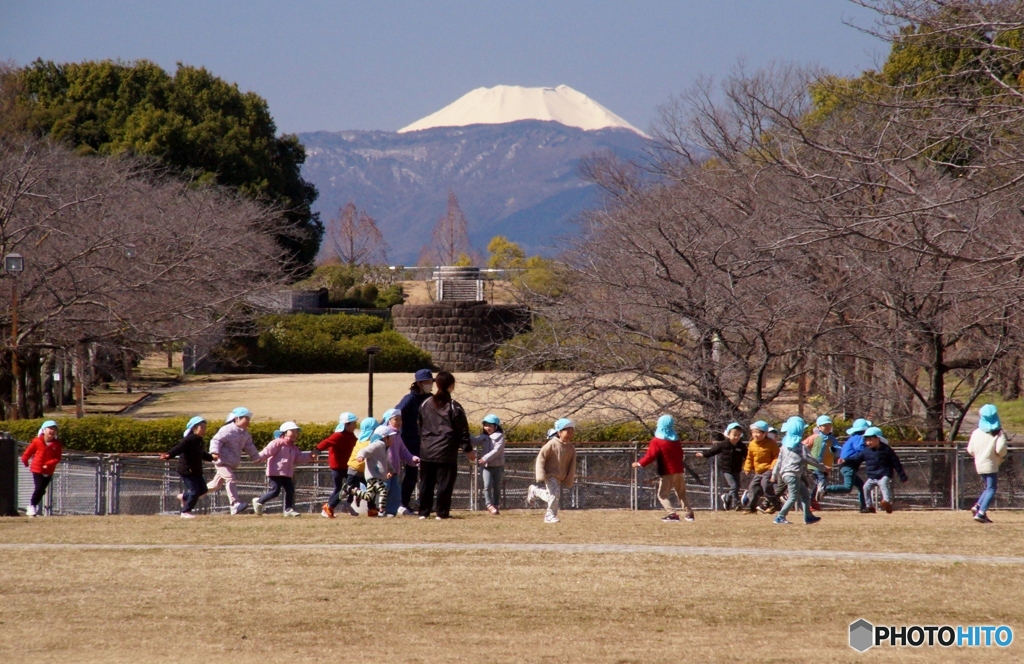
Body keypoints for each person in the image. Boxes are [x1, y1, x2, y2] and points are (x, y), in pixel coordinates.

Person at [417, 371, 475, 520]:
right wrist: (468, 449)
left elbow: (420, 426)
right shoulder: (454, 406)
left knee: (426, 483)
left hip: (427, 450)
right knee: (444, 484)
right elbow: (462, 430)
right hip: (446, 452)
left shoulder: (425, 404)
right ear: (451, 386)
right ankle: (441, 513)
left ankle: (423, 512)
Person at [632, 414, 694, 522]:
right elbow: (680, 454)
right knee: (681, 494)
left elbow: (650, 456)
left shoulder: (656, 441)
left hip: (667, 471)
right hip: (679, 470)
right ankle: (689, 514)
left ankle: (672, 514)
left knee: (662, 495)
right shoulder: (676, 440)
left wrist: (639, 463)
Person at [253, 422, 317, 517]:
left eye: (296, 432)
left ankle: (288, 509)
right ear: (284, 432)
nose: (295, 434)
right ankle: (259, 501)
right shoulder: (277, 442)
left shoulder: (293, 447)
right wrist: (258, 458)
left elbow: (299, 457)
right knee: (275, 491)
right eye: (292, 431)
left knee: (290, 490)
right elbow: (267, 452)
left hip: (287, 474)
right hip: (275, 472)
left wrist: (310, 456)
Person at [772, 416, 826, 525]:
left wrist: (775, 474)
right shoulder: (801, 447)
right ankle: (780, 517)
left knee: (805, 494)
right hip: (793, 474)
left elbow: (779, 461)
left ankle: (808, 516)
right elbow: (809, 459)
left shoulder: (784, 447)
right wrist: (822, 467)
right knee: (793, 496)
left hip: (786, 474)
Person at [838, 427, 906, 514]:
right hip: (872, 475)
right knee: (865, 488)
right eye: (866, 440)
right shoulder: (866, 451)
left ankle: (887, 502)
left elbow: (896, 463)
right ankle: (869, 506)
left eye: (870, 439)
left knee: (883, 484)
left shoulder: (887, 450)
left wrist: (902, 476)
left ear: (878, 439)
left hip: (884, 474)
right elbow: (856, 458)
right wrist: (846, 460)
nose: (868, 442)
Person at [207, 407, 261, 514]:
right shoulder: (227, 430)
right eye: (246, 418)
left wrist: (256, 458)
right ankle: (234, 504)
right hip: (222, 462)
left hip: (230, 463)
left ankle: (188, 496)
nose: (248, 422)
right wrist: (214, 452)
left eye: (249, 419)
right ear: (237, 418)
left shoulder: (245, 435)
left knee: (215, 485)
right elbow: (216, 440)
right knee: (230, 478)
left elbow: (250, 447)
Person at [395, 369, 434, 515]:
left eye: (431, 382)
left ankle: (422, 502)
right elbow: (395, 414)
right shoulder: (409, 399)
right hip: (408, 442)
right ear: (418, 383)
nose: (430, 384)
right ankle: (401, 503)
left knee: (425, 475)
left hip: (425, 442)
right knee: (409, 475)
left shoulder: (430, 398)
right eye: (427, 382)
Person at [160, 416, 214, 519]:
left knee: (203, 490)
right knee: (194, 492)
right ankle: (185, 512)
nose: (204, 430)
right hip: (187, 470)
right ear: (194, 428)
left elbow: (201, 453)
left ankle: (183, 497)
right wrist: (169, 455)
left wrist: (212, 457)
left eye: (205, 428)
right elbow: (179, 448)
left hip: (196, 471)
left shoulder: (199, 441)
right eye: (202, 427)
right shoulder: (189, 440)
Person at [527, 418, 577, 523]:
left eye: (572, 431)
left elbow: (572, 465)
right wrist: (541, 474)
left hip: (560, 476)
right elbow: (541, 457)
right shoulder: (551, 444)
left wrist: (568, 479)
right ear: (559, 432)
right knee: (555, 495)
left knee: (552, 495)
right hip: (550, 475)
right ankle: (550, 515)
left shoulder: (571, 448)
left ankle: (535, 491)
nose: (570, 434)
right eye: (567, 431)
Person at [966, 404, 1008, 524]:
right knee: (992, 488)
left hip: (979, 463)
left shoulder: (976, 432)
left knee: (988, 487)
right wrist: (1001, 456)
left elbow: (970, 450)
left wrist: (979, 455)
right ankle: (981, 513)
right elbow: (1001, 450)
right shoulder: (998, 433)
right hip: (991, 463)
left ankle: (978, 505)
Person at [350, 424, 400, 517]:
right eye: (391, 437)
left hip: (376, 476)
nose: (393, 439)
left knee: (369, 496)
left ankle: (353, 491)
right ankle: (381, 511)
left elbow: (386, 461)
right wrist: (360, 456)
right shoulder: (378, 444)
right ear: (385, 438)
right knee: (383, 489)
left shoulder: (385, 448)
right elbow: (364, 451)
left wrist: (391, 470)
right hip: (373, 475)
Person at [316, 412, 359, 518]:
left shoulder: (351, 435)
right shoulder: (338, 435)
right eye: (353, 423)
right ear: (346, 424)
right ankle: (328, 508)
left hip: (347, 466)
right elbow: (326, 442)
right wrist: (316, 450)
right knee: (339, 489)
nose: (355, 425)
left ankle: (347, 505)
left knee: (354, 486)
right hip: (337, 467)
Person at [696, 422, 747, 510]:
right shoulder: (724, 444)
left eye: (738, 435)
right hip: (727, 470)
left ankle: (727, 497)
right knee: (734, 486)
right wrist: (703, 454)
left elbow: (747, 456)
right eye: (734, 435)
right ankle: (737, 503)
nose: (736, 437)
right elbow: (713, 451)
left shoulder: (741, 446)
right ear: (728, 434)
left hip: (737, 469)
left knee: (737, 487)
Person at [380, 408, 420, 516]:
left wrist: (413, 459)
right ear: (389, 421)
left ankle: (391, 512)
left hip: (395, 472)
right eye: (395, 419)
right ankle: (380, 511)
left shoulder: (397, 435)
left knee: (395, 493)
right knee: (384, 491)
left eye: (400, 419)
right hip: (384, 471)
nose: (399, 422)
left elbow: (404, 452)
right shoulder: (384, 434)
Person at [825, 418, 871, 513]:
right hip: (848, 466)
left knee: (861, 486)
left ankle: (863, 507)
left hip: (847, 466)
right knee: (847, 487)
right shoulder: (859, 438)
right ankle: (825, 489)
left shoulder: (852, 438)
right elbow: (860, 449)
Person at [20, 420, 63, 517]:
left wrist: (48, 464)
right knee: (39, 487)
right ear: (44, 430)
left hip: (48, 470)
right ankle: (32, 506)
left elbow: (57, 458)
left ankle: (33, 505)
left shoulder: (57, 444)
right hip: (37, 469)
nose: (52, 431)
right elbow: (28, 452)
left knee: (42, 490)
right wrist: (25, 461)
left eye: (54, 429)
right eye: (50, 429)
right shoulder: (37, 441)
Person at [743, 420, 780, 514]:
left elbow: (777, 456)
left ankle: (775, 504)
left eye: (758, 432)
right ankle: (751, 508)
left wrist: (773, 466)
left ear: (765, 433)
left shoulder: (771, 443)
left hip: (768, 469)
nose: (755, 435)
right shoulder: (752, 444)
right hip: (758, 471)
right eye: (754, 432)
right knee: (753, 487)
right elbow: (749, 457)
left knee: (765, 485)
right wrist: (747, 468)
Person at [345, 417, 379, 516]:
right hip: (355, 469)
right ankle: (336, 505)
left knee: (371, 488)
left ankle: (371, 508)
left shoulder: (360, 440)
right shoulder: (369, 442)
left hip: (364, 470)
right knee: (349, 489)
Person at [476, 414, 506, 515]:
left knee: (497, 486)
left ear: (496, 426)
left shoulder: (500, 437)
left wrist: (485, 458)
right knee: (486, 485)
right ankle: (489, 505)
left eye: (490, 425)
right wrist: (465, 434)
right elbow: (475, 441)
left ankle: (496, 504)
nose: (487, 428)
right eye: (486, 425)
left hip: (497, 466)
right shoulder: (484, 437)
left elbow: (497, 450)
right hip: (486, 466)